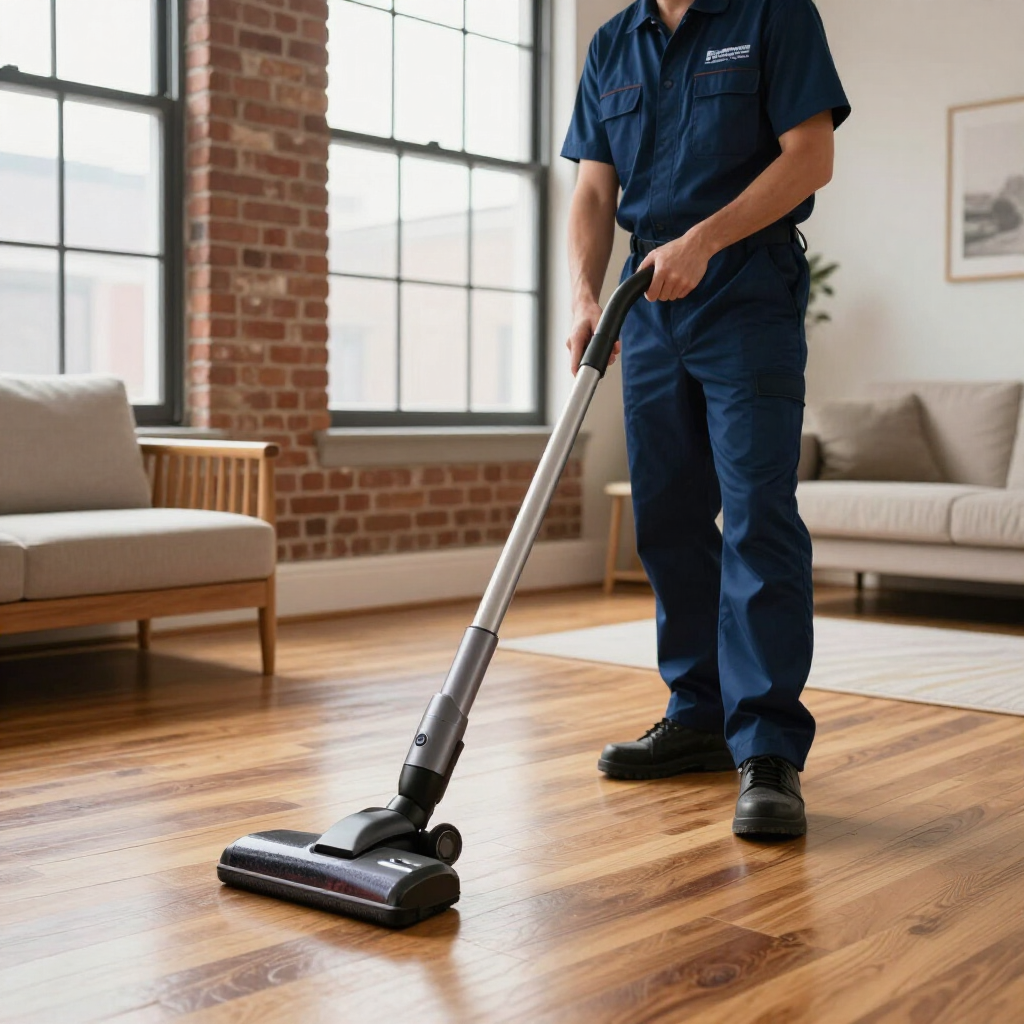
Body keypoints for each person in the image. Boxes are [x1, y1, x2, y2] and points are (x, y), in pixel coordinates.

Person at [562, 0, 850, 838]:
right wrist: (584, 293)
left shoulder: (773, 14)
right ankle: (697, 716)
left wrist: (707, 240)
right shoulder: (614, 42)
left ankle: (767, 747)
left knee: (759, 514)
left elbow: (812, 156)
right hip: (645, 304)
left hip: (747, 293)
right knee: (667, 515)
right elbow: (592, 183)